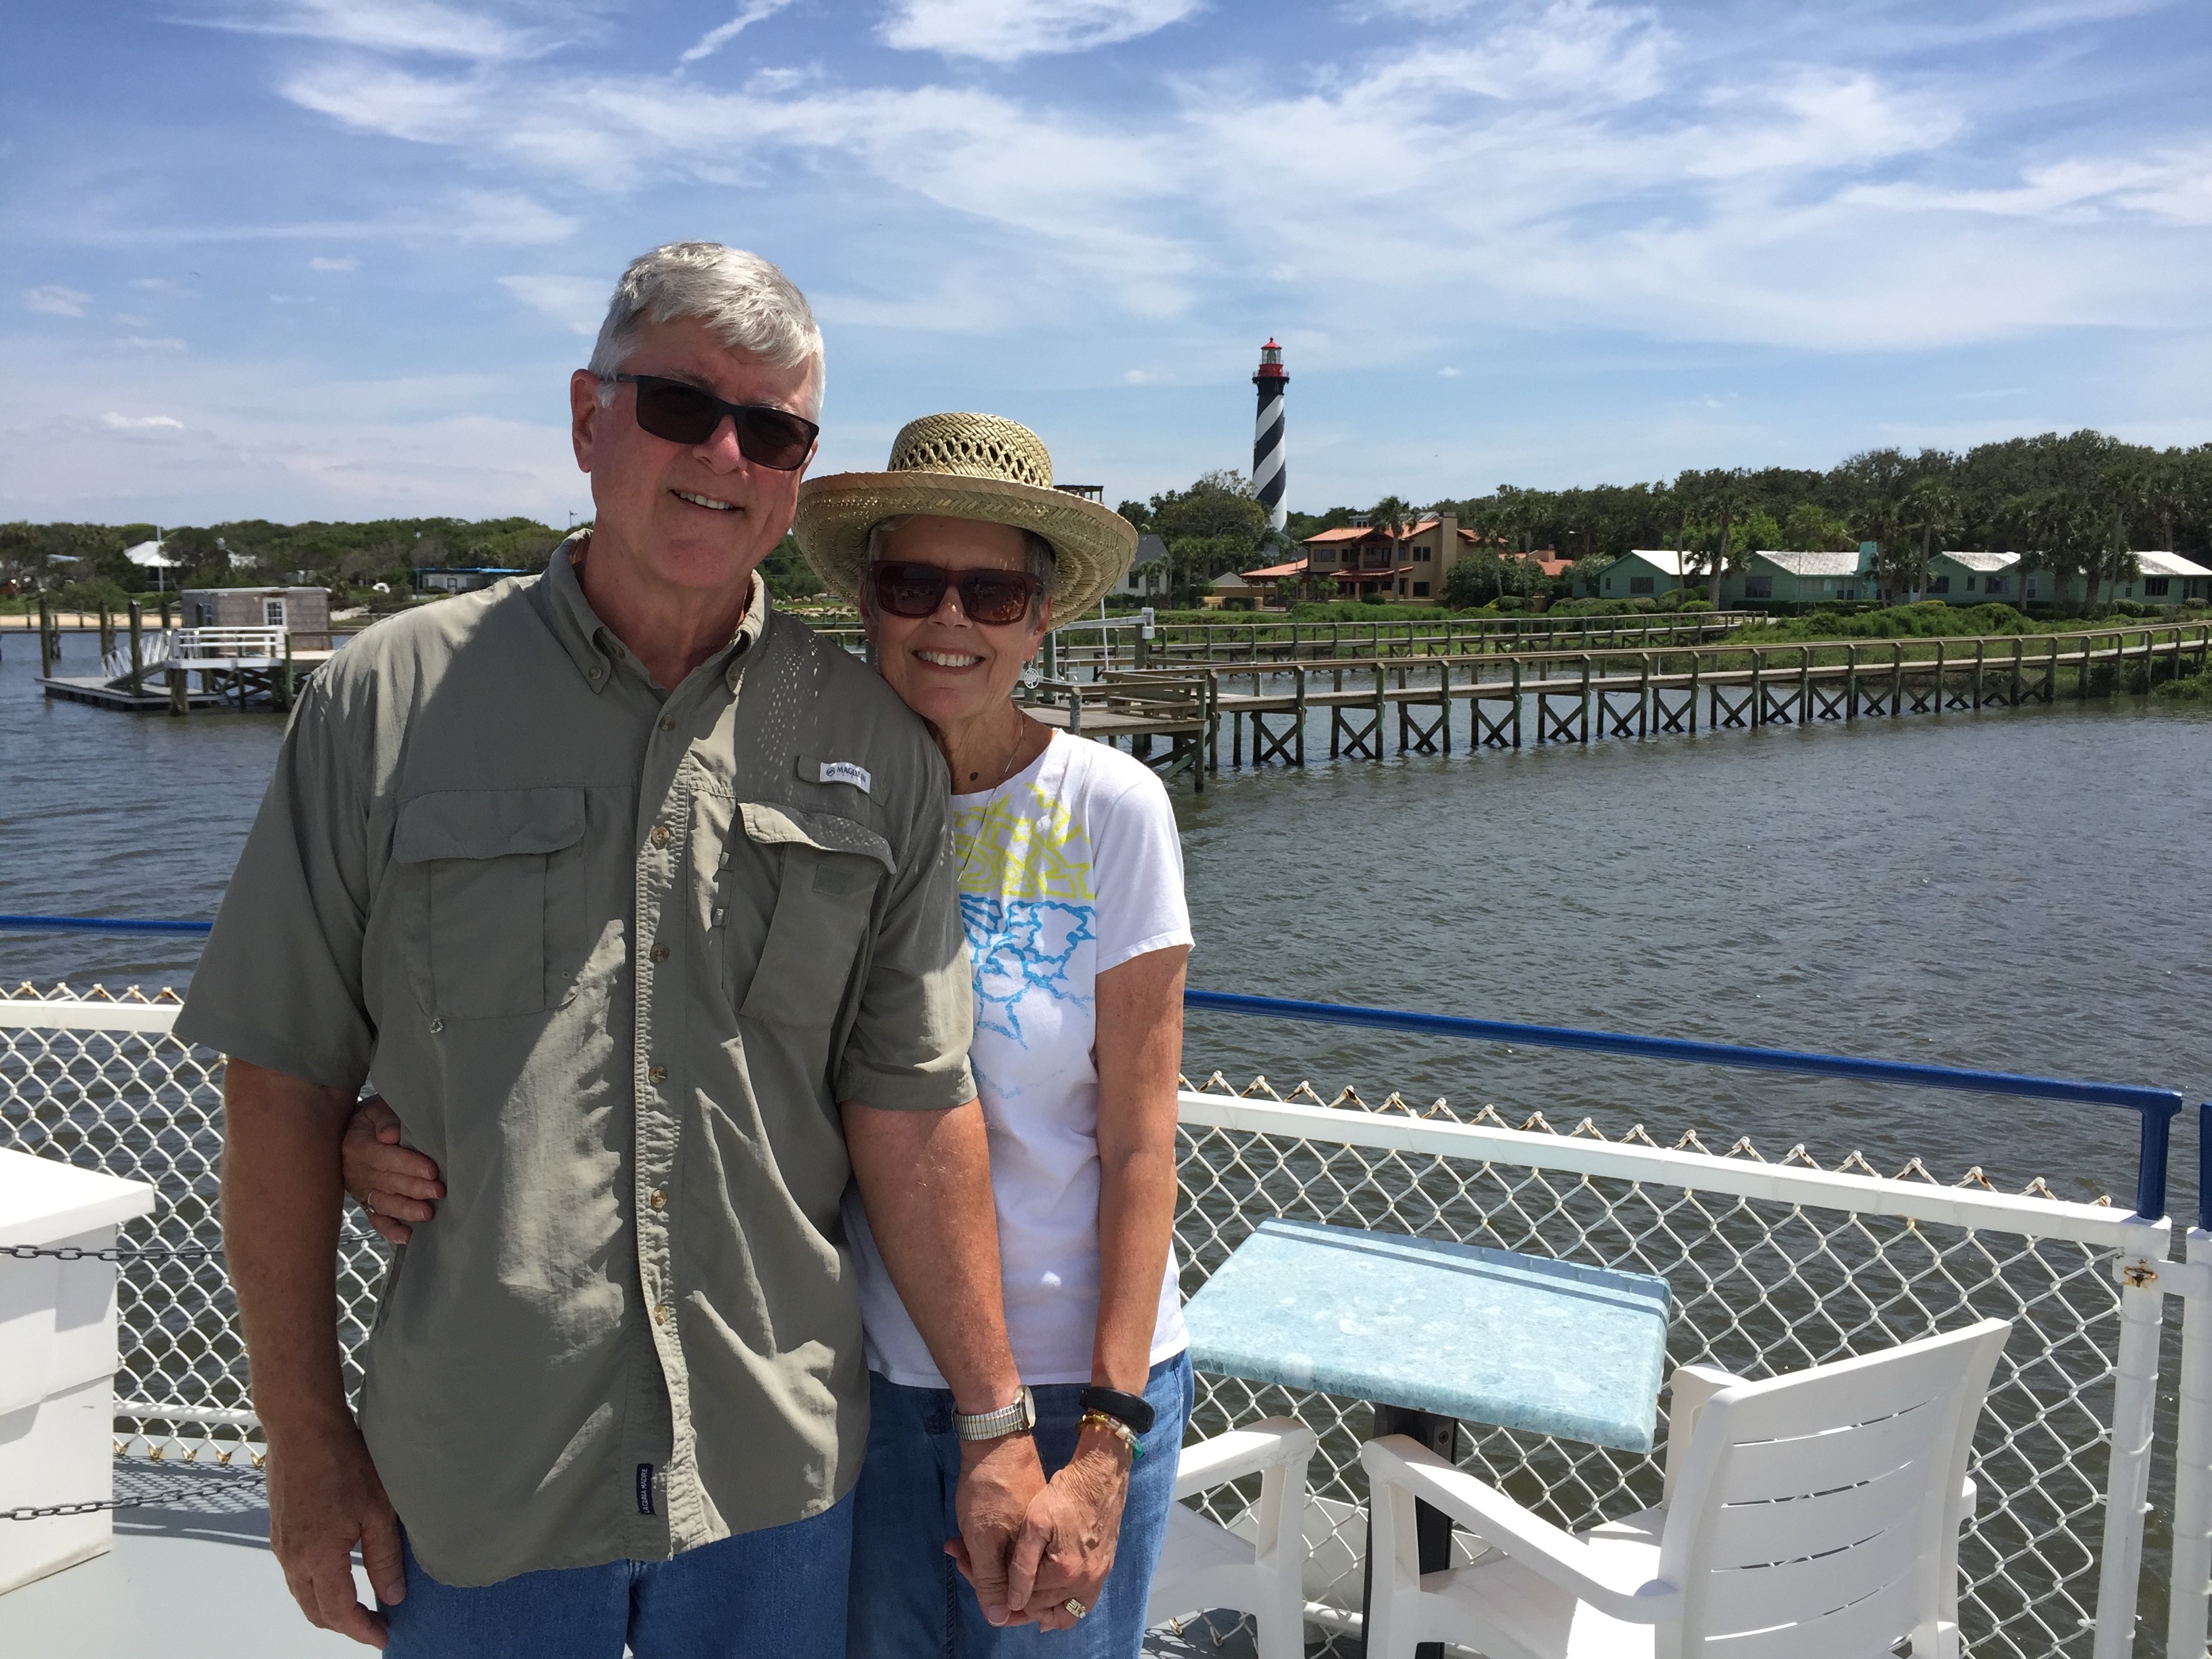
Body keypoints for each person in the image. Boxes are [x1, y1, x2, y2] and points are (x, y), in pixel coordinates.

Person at [183, 243, 1048, 1658]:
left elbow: (914, 1108)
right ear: (589, 418)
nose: (723, 454)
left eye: (772, 430)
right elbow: (279, 1083)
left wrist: (996, 1423)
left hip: (769, 1470)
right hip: (477, 1472)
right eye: (680, 408)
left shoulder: (870, 749)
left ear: (797, 473)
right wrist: (303, 1438)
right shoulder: (381, 702)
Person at [350, 413, 1196, 1655]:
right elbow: (628, 1012)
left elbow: (1141, 1147)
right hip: (849, 1382)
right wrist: (379, 1123)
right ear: (866, 597)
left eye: (994, 590)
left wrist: (1106, 1439)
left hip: (1078, 1384)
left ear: (1043, 615)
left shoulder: (1112, 810)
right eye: (913, 583)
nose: (950, 619)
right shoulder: (780, 770)